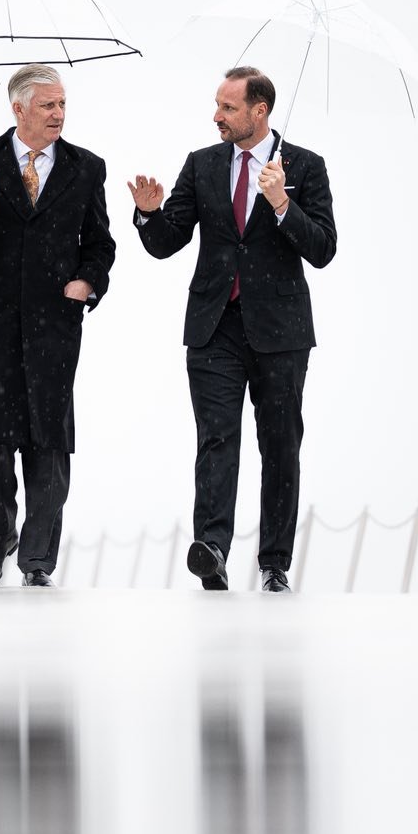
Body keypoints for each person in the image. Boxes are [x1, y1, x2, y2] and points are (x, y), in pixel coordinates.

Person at [128, 67, 335, 593]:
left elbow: (323, 248)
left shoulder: (305, 166)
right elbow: (167, 240)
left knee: (280, 446)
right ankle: (213, 551)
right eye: (218, 105)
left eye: (227, 107)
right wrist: (148, 214)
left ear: (259, 111)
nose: (216, 116)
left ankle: (274, 564)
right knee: (216, 438)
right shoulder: (202, 164)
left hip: (281, 333)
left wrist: (282, 203)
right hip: (214, 326)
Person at [0, 64, 116, 587]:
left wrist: (87, 281)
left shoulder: (86, 167)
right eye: (47, 105)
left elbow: (100, 243)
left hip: (53, 324)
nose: (59, 114)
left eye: (62, 104)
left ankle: (37, 561)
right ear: (18, 109)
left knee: (48, 442)